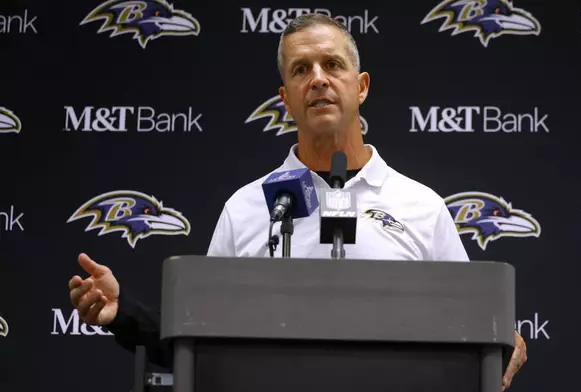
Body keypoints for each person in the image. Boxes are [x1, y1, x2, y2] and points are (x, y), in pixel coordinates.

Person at [68, 13, 527, 390]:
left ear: (361, 86)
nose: (319, 80)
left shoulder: (421, 205)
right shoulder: (246, 207)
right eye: (301, 70)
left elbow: (472, 326)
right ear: (285, 97)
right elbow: (200, 340)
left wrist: (501, 338)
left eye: (333, 64)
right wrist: (124, 312)